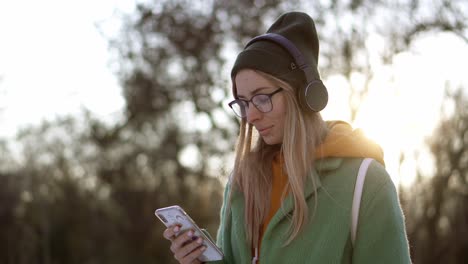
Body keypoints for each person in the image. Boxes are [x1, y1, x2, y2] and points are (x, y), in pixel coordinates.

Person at [163, 11, 411, 264]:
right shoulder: (241, 181)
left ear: (303, 94)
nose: (251, 116)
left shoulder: (366, 183)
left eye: (262, 98)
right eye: (243, 102)